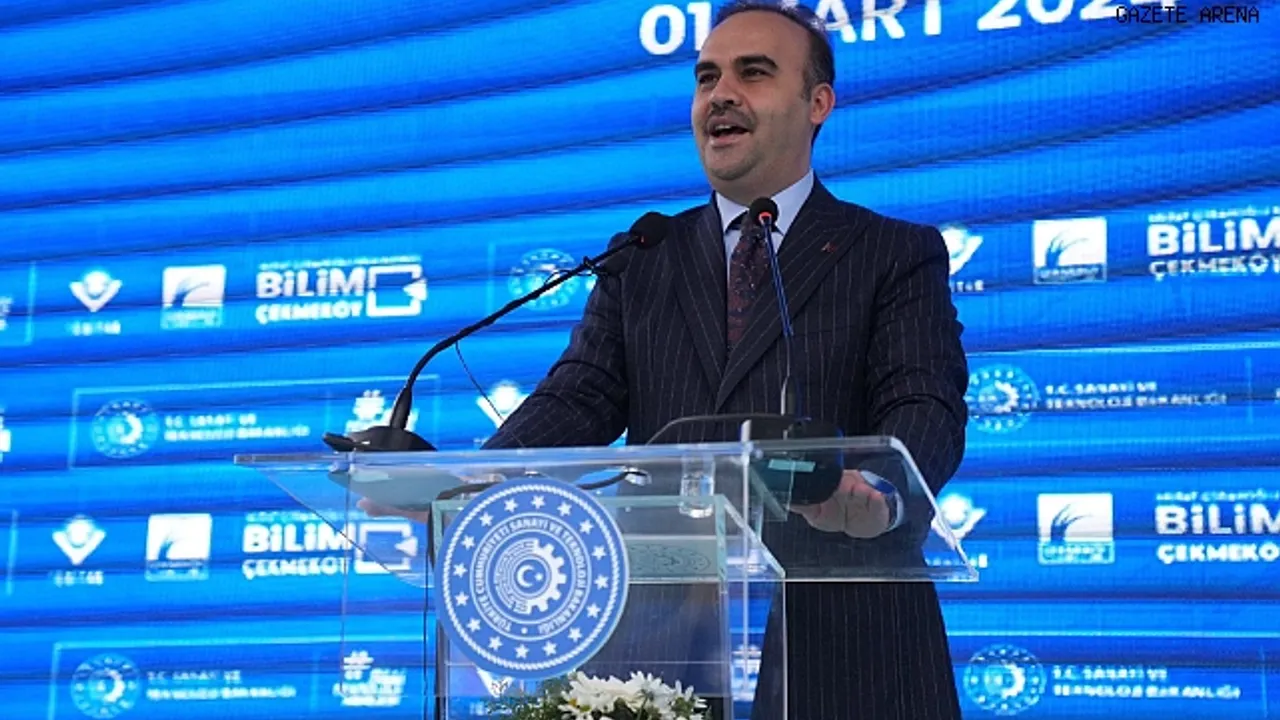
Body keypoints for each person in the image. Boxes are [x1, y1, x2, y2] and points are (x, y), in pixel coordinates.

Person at [365, 2, 969, 717]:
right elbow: (578, 398)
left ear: (818, 104)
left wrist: (878, 493)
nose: (722, 94)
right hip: (660, 651)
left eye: (753, 73)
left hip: (849, 642)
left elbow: (924, 404)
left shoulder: (892, 252)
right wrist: (465, 486)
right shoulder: (645, 253)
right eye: (707, 77)